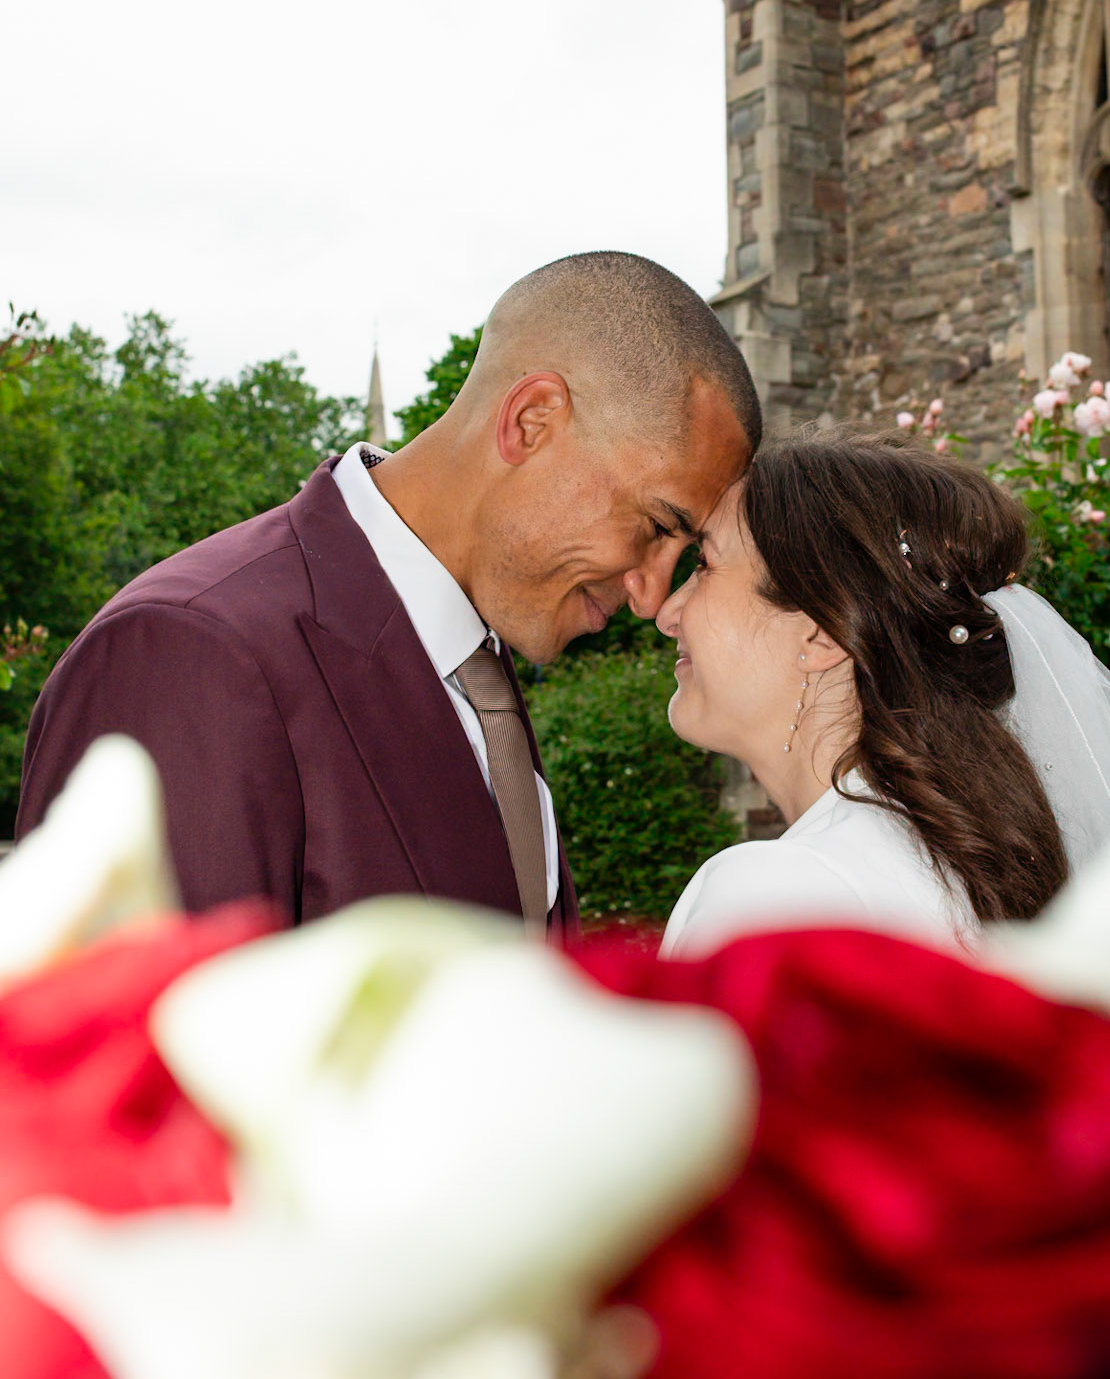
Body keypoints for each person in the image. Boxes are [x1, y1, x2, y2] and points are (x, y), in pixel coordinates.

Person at [18, 251, 759, 935]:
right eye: (657, 525)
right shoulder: (190, 653)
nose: (649, 595)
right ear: (531, 422)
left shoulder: (479, 666)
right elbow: (124, 1060)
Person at [658, 425, 1110, 1147]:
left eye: (704, 566)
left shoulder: (772, 904)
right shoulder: (987, 862)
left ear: (817, 633)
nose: (666, 611)